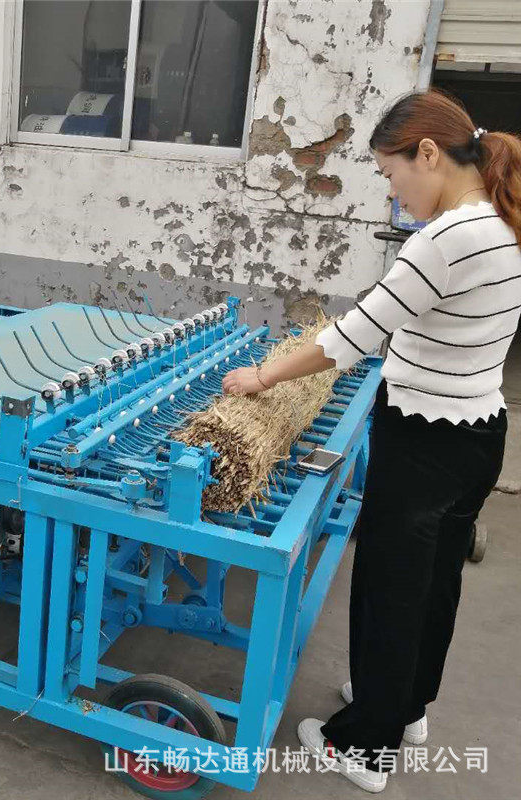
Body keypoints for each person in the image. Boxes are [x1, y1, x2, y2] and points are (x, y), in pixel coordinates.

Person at [222, 90, 521, 793]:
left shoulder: (444, 239)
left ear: (428, 154)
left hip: (424, 439)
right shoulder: (504, 219)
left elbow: (353, 335)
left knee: (390, 586)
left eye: (390, 174)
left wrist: (262, 376)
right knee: (435, 581)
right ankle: (406, 707)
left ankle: (364, 747)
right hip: (479, 433)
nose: (393, 194)